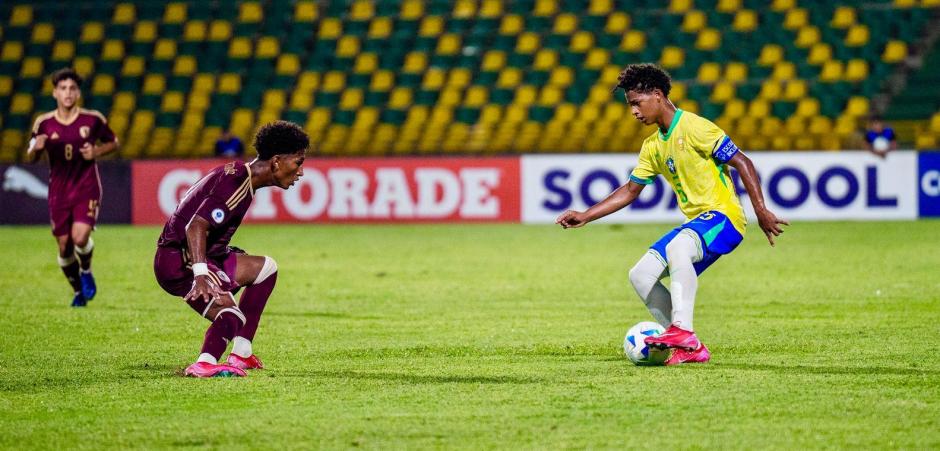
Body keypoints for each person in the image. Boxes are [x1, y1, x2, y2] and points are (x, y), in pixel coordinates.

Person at [556, 64, 788, 365]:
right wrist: (586, 215)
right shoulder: (652, 146)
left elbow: (742, 162)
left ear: (657, 95)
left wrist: (761, 211)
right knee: (640, 275)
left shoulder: (695, 127)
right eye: (630, 106)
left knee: (679, 246)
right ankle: (690, 347)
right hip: (697, 223)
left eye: (636, 103)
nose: (633, 112)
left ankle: (683, 331)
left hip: (724, 217)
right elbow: (630, 190)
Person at [154, 120, 309, 378]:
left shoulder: (240, 177)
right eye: (298, 162)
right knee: (231, 315)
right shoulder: (236, 181)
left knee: (266, 269)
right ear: (277, 161)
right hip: (181, 261)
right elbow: (195, 226)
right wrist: (201, 274)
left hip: (205, 254)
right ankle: (204, 362)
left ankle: (241, 353)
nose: (301, 172)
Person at [26, 68, 119, 307]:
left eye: (72, 88)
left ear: (78, 92)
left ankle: (86, 270)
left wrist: (96, 151)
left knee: (80, 237)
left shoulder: (92, 119)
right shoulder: (43, 123)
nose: (68, 93)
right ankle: (78, 290)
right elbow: (30, 158)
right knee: (64, 245)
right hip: (58, 191)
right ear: (55, 93)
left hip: (86, 185)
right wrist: (37, 148)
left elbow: (114, 142)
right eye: (63, 88)